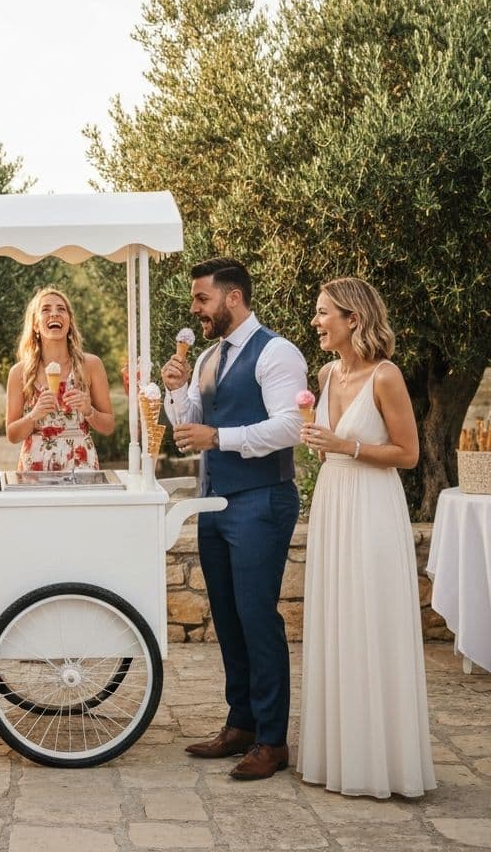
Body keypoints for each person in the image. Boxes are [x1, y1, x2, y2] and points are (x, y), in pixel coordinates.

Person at [161, 258, 306, 781]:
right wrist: (176, 390)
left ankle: (272, 740)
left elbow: (290, 426)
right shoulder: (206, 358)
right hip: (215, 502)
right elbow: (188, 427)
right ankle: (240, 724)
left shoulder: (277, 352)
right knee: (226, 616)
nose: (196, 309)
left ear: (233, 298)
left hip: (261, 501)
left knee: (257, 616)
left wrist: (219, 439)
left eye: (203, 299)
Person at [297, 278, 435, 798]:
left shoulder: (386, 375)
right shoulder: (327, 373)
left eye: (323, 312)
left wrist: (346, 445)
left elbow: (408, 454)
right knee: (338, 618)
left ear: (353, 318)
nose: (316, 321)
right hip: (334, 503)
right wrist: (318, 441)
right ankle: (341, 757)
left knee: (372, 617)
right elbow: (329, 445)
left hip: (373, 507)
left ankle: (384, 761)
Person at [5, 287, 114, 471]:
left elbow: (108, 426)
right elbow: (12, 435)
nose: (54, 313)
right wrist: (33, 415)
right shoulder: (19, 373)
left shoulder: (91, 365)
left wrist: (89, 411)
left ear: (69, 322)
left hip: (81, 464)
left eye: (61, 309)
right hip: (36, 466)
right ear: (35, 324)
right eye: (46, 309)